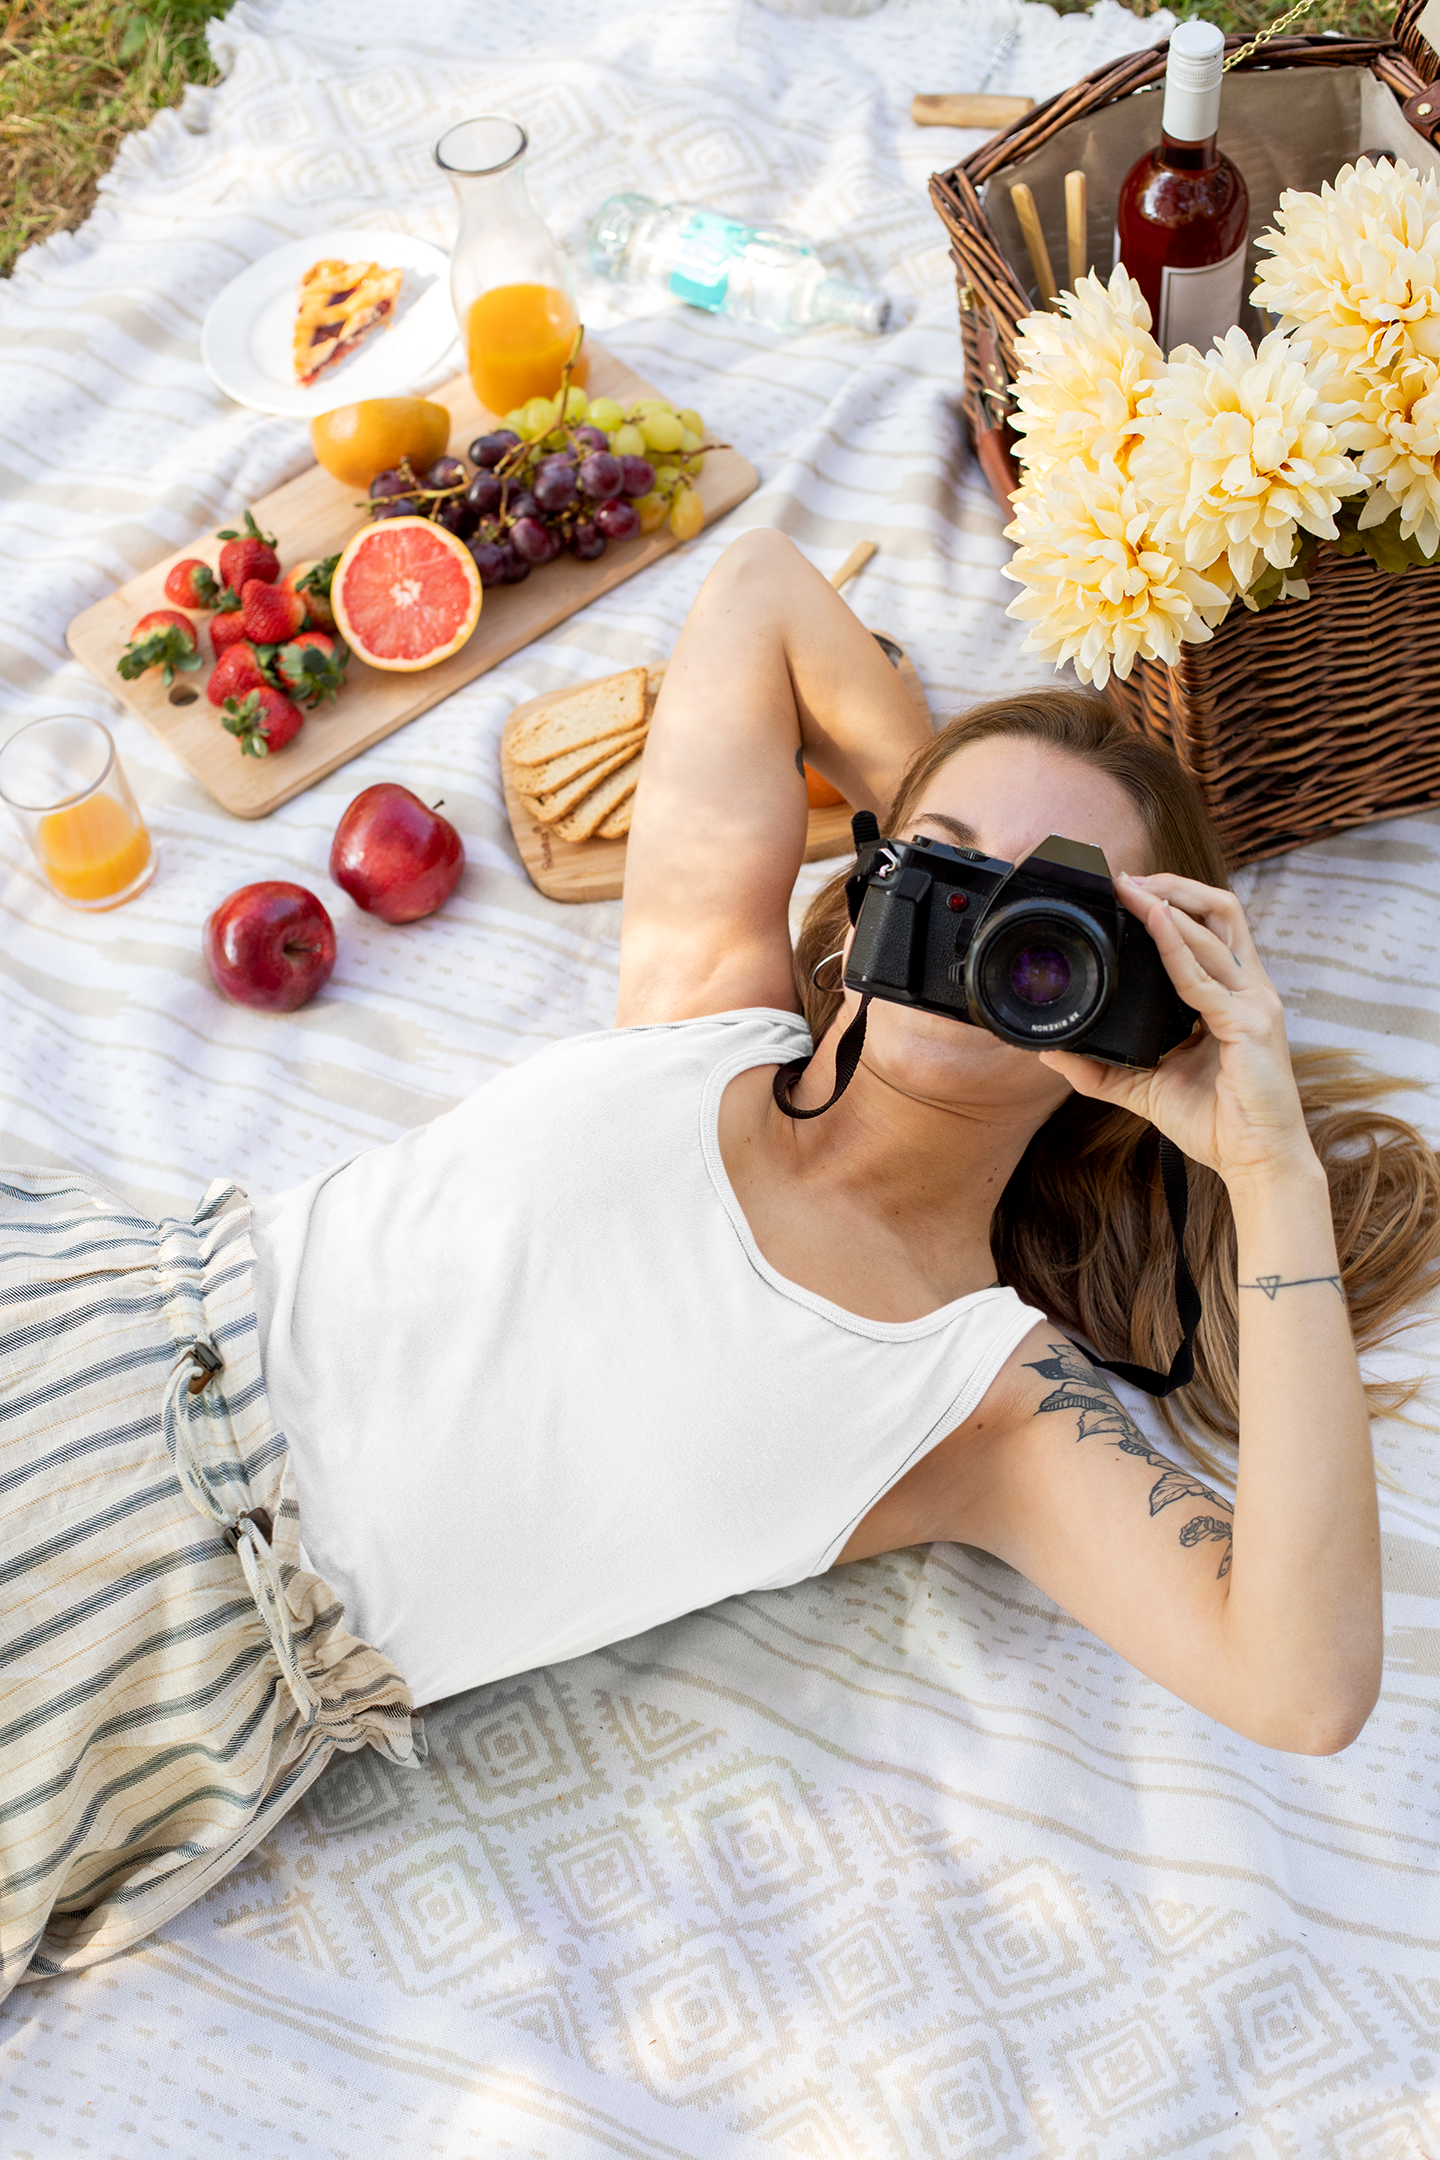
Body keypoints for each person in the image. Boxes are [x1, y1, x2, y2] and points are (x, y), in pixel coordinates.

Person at [3, 530, 1437, 2000]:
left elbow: (1303, 1683)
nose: (986, 920)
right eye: (944, 870)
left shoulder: (986, 1400)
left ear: (1139, 1009)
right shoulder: (704, 1003)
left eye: (1050, 921)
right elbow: (759, 593)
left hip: (149, 1649)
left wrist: (1260, 1156)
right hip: (83, 1316)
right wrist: (971, 853)